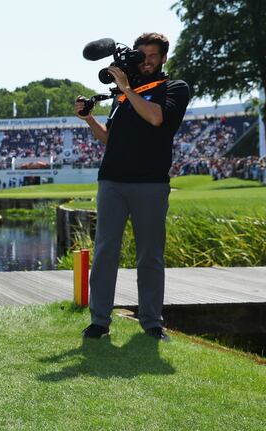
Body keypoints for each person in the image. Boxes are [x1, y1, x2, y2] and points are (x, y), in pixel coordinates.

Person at [74, 32, 190, 341]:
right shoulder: (123, 95)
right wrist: (89, 119)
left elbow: (156, 118)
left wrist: (126, 88)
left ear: (163, 58)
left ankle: (151, 322)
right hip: (112, 181)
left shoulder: (174, 88)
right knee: (105, 252)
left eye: (153, 56)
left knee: (150, 256)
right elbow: (110, 138)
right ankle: (99, 321)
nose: (147, 61)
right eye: (142, 56)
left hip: (151, 183)